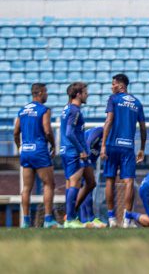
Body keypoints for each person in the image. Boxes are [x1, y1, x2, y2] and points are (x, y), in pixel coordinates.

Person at [100, 73, 146, 228]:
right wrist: (142, 148)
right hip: (128, 146)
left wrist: (103, 144)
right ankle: (127, 219)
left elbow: (109, 120)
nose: (111, 87)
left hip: (112, 144)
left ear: (120, 85)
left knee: (109, 179)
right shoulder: (137, 103)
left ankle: (112, 219)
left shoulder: (113, 99)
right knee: (129, 181)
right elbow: (143, 128)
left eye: (113, 84)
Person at [14, 83, 58, 228]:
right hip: (39, 151)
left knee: (27, 188)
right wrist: (53, 144)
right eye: (45, 92)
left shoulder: (22, 110)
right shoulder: (44, 110)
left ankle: (25, 222)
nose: (47, 95)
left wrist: (19, 147)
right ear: (39, 93)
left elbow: (16, 132)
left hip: (26, 151)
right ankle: (48, 219)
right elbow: (47, 130)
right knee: (49, 184)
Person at [60, 82, 94, 228]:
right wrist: (81, 150)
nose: (87, 95)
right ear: (78, 94)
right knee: (74, 182)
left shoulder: (67, 108)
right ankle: (70, 219)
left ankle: (73, 216)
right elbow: (69, 133)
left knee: (90, 182)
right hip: (74, 151)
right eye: (85, 92)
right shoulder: (74, 110)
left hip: (68, 150)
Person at [79, 126, 106, 227]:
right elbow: (87, 146)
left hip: (91, 160)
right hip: (82, 156)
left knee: (85, 188)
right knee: (88, 187)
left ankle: (84, 221)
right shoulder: (99, 131)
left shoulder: (112, 137)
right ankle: (90, 218)